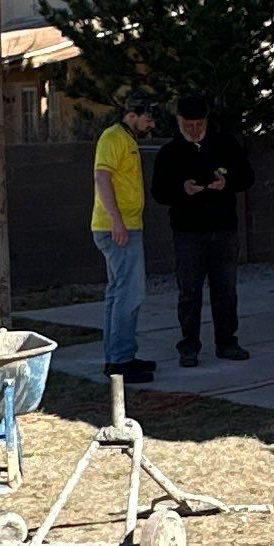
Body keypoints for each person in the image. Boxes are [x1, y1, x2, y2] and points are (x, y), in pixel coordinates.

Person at [149, 89, 249, 365]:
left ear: (207, 122)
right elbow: (158, 192)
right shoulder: (170, 153)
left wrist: (226, 183)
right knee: (189, 291)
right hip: (188, 231)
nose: (194, 130)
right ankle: (189, 346)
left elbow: (247, 177)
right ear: (180, 122)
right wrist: (182, 189)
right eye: (189, 125)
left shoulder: (225, 144)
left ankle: (227, 342)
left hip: (223, 228)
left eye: (199, 125)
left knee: (225, 289)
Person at [91, 89, 157, 385]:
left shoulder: (126, 139)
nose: (151, 124)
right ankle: (121, 361)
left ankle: (118, 357)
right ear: (131, 115)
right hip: (118, 227)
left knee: (119, 292)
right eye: (147, 118)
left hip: (124, 225)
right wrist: (117, 221)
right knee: (130, 293)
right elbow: (102, 178)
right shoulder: (113, 138)